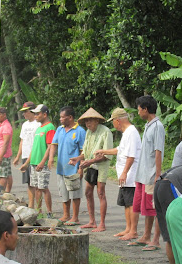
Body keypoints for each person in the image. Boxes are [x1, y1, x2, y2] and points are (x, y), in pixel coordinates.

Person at [96, 107, 141, 240]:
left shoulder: (132, 132)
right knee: (126, 202)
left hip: (131, 175)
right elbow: (120, 150)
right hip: (125, 175)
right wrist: (104, 151)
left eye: (113, 122)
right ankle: (128, 228)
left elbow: (131, 156)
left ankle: (133, 230)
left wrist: (125, 173)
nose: (114, 125)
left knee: (131, 202)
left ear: (118, 121)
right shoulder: (126, 133)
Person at [128, 96, 165, 252]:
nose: (138, 112)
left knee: (154, 208)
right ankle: (146, 236)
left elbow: (158, 151)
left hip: (150, 174)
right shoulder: (148, 126)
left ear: (145, 109)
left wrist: (157, 175)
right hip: (142, 175)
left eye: (139, 109)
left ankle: (155, 240)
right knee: (145, 207)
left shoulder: (157, 126)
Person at [69, 108, 113, 231]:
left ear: (97, 121)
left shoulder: (106, 131)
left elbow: (106, 154)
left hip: (101, 166)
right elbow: (86, 152)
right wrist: (78, 158)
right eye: (86, 121)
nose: (88, 124)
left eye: (90, 121)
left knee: (100, 193)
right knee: (88, 192)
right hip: (90, 165)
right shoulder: (88, 132)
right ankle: (92, 221)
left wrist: (90, 161)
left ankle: (102, 224)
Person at [49, 107, 86, 225]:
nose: (60, 119)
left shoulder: (80, 131)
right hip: (61, 168)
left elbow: (83, 151)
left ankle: (75, 217)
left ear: (70, 117)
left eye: (62, 117)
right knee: (63, 192)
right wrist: (51, 158)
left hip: (73, 168)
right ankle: (66, 215)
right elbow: (53, 145)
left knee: (74, 193)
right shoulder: (59, 130)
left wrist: (81, 168)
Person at [20, 105, 55, 218]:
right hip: (33, 163)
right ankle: (38, 211)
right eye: (34, 114)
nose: (35, 116)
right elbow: (34, 148)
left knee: (43, 188)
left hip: (42, 164)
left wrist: (43, 162)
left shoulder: (49, 128)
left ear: (44, 114)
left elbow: (50, 147)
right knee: (36, 188)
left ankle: (49, 212)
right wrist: (26, 163)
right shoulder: (39, 128)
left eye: (37, 114)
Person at [13, 102, 40, 207]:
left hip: (35, 156)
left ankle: (38, 207)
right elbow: (22, 141)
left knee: (37, 183)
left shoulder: (38, 124)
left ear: (33, 111)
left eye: (26, 112)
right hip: (25, 155)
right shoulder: (24, 125)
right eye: (23, 112)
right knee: (29, 182)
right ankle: (31, 205)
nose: (24, 114)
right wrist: (18, 156)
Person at [0, 107, 13, 193]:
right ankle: (7, 193)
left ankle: (1, 193)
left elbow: (6, 142)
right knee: (7, 174)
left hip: (2, 153)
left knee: (2, 175)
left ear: (4, 115)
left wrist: (0, 156)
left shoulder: (6, 127)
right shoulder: (2, 125)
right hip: (2, 152)